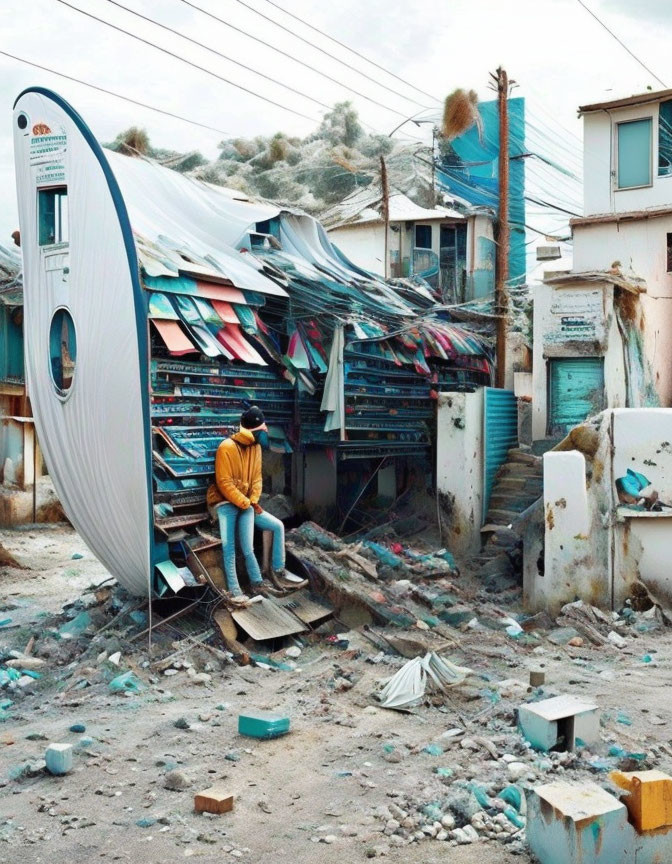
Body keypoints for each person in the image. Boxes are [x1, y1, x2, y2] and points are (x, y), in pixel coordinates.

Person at [206, 406, 305, 601]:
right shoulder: (226, 447)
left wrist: (252, 501)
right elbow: (224, 483)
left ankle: (262, 581)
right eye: (262, 429)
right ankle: (235, 592)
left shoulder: (256, 448)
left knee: (250, 546)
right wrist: (245, 502)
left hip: (246, 503)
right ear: (253, 430)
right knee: (229, 547)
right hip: (224, 503)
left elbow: (257, 479)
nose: (266, 431)